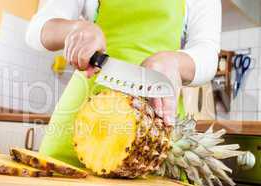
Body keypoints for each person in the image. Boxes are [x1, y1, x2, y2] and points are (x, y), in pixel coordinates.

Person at [26, 0, 221, 165]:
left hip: (156, 117)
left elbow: (207, 52)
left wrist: (175, 62)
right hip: (81, 117)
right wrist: (75, 28)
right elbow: (37, 28)